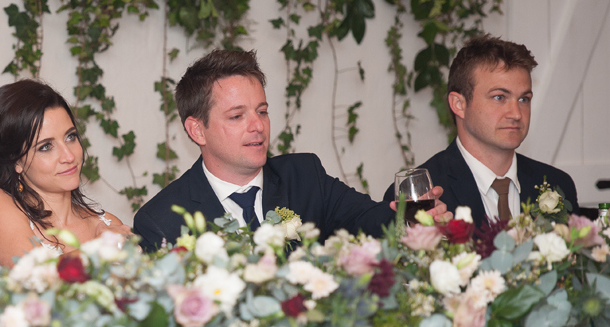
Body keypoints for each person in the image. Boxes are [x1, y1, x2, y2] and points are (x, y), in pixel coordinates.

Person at [133, 49, 449, 252]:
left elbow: (371, 222)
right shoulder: (161, 221)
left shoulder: (304, 177)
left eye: (262, 111)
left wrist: (411, 220)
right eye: (237, 116)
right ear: (197, 129)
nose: (257, 125)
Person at [382, 35, 579, 225]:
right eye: (499, 97)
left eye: (523, 99)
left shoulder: (557, 184)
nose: (517, 114)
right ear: (459, 104)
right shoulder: (422, 195)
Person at [0, 79, 130, 267]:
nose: (68, 156)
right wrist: (102, 248)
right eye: (46, 147)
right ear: (16, 160)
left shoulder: (109, 224)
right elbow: (30, 274)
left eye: (70, 137)